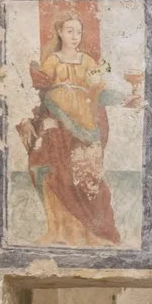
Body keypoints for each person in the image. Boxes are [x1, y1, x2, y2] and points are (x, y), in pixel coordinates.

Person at [22, 13, 133, 245]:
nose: (75, 36)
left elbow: (99, 92)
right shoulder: (52, 60)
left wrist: (124, 98)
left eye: (78, 32)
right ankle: (58, 230)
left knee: (85, 175)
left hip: (85, 122)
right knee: (51, 170)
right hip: (57, 122)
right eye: (70, 31)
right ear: (60, 32)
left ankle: (90, 233)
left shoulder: (89, 62)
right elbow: (43, 91)